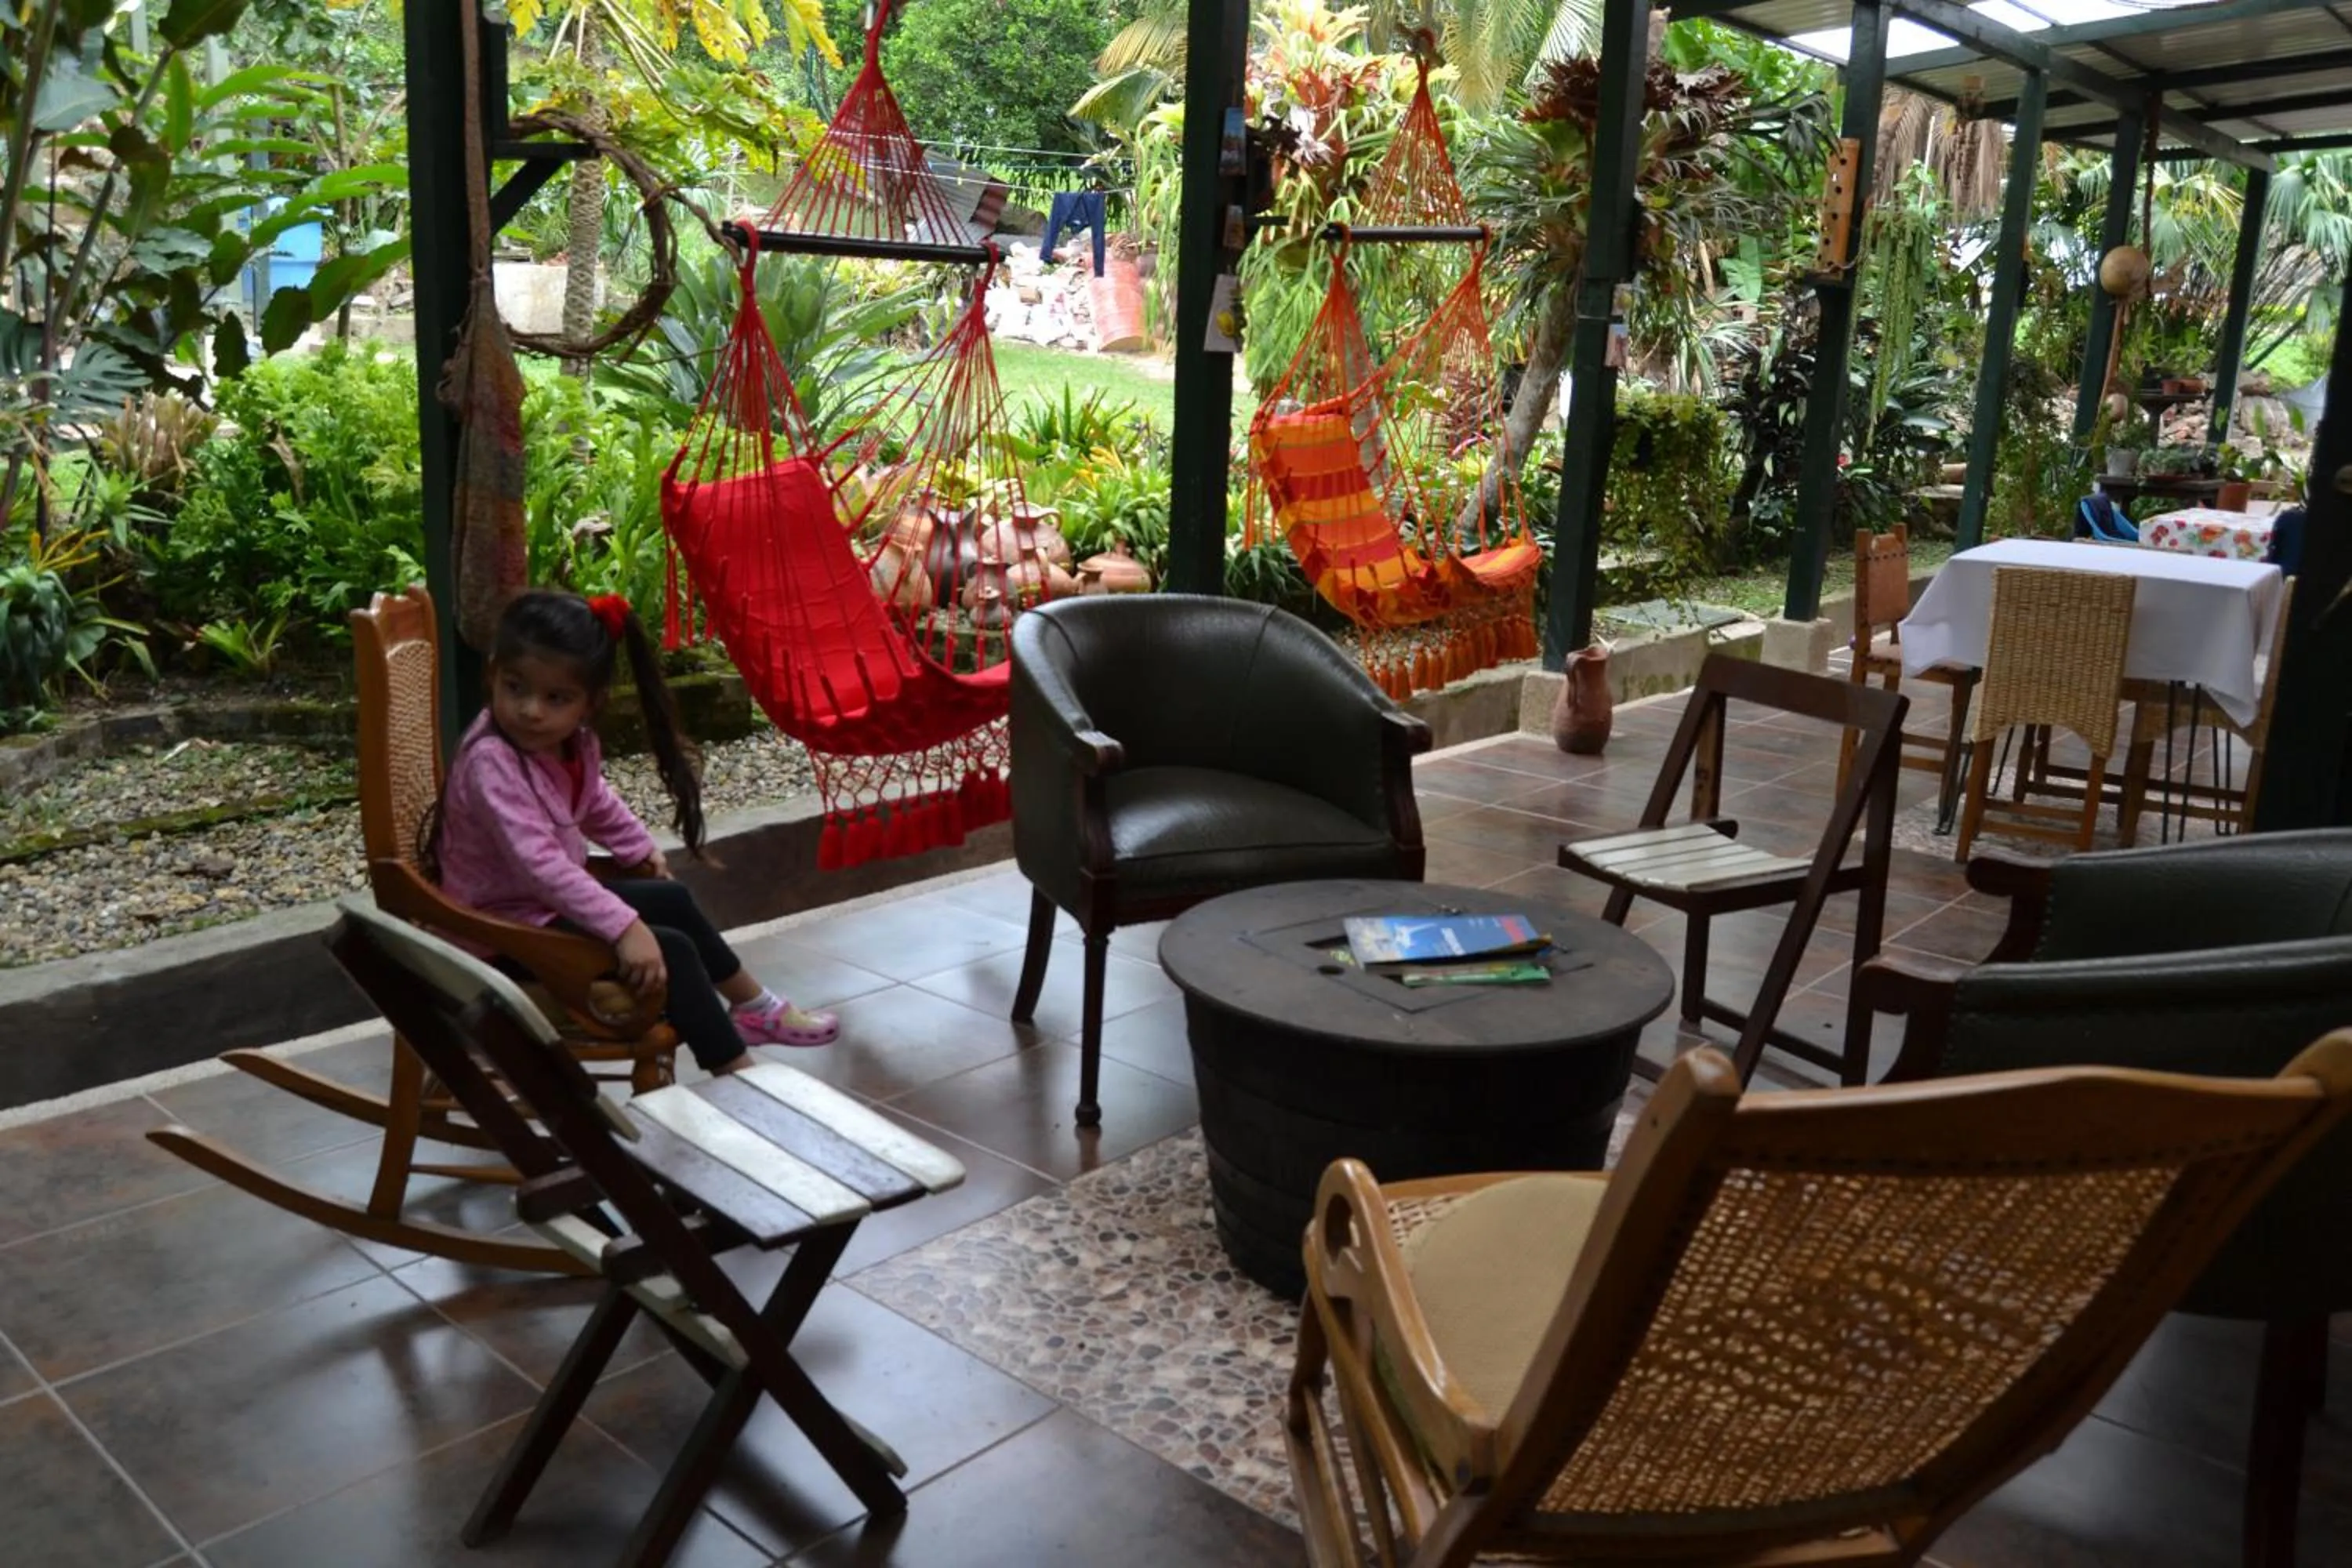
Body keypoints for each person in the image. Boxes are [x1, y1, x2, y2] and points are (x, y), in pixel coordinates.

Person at [424, 590, 837, 1076]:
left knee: (674, 900)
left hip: (536, 908)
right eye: (516, 688)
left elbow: (593, 799)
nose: (532, 710)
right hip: (499, 930)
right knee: (672, 950)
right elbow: (540, 866)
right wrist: (624, 927)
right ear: (493, 673)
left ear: (589, 703)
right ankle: (738, 1075)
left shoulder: (570, 742)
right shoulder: (493, 760)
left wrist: (636, 846)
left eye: (555, 698)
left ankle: (756, 1008)